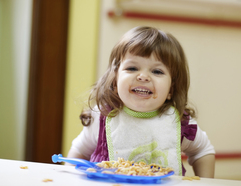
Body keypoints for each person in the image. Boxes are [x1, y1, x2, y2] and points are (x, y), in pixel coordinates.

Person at [66, 26, 215, 177]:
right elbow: (79, 152)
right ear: (115, 80)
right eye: (132, 68)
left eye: (157, 71)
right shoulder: (102, 116)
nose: (143, 76)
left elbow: (203, 151)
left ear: (171, 89)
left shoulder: (179, 123)